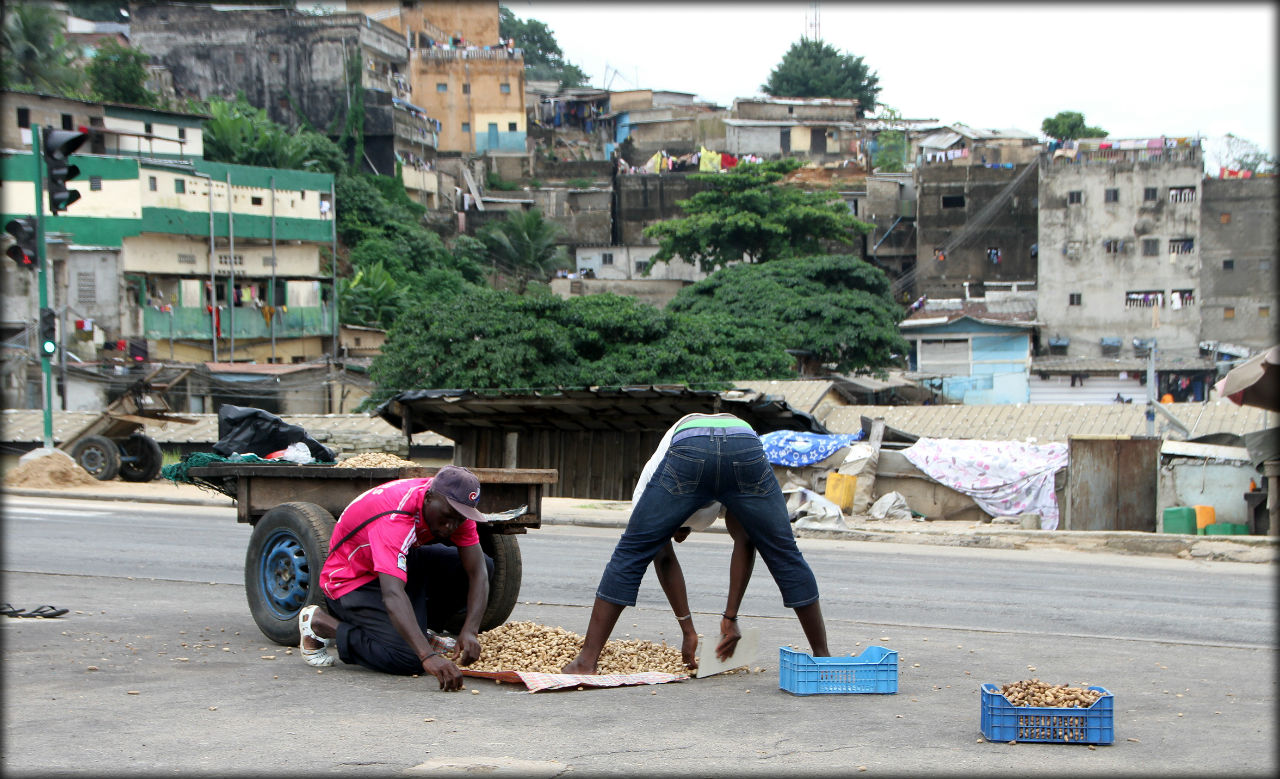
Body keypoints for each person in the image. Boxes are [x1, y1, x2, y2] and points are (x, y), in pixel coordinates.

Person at [562, 413, 830, 674]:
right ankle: (823, 657)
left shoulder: (647, 487)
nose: (678, 537)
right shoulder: (668, 487)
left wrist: (717, 621)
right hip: (743, 442)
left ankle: (586, 661)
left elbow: (665, 559)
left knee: (630, 554)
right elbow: (746, 537)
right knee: (785, 552)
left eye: (678, 532)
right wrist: (724, 619)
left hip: (696, 443)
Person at [298, 465, 492, 691]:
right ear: (428, 498)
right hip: (352, 580)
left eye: (460, 519)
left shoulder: (454, 506)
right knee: (408, 659)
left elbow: (478, 572)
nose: (451, 526)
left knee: (485, 565)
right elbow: (392, 594)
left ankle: (416, 631)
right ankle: (321, 623)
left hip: (398, 561)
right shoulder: (395, 518)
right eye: (447, 517)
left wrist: (470, 630)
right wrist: (427, 656)